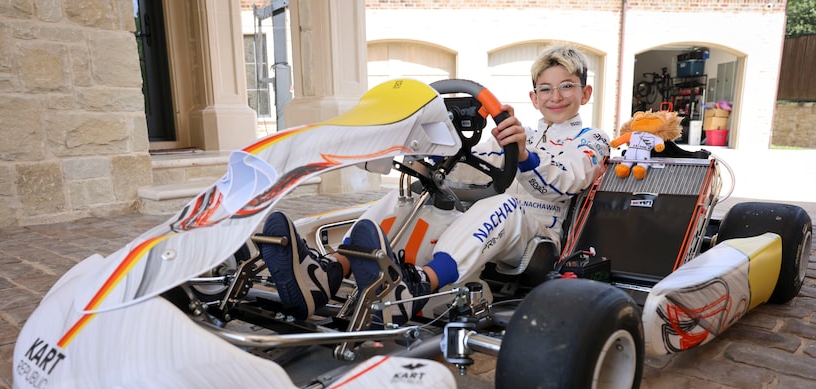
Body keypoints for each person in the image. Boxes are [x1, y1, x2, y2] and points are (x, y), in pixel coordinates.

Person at [260, 44, 610, 323]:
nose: (556, 96)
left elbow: (567, 181)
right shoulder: (518, 133)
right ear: (534, 98)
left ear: (585, 93)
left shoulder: (592, 139)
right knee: (407, 196)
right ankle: (330, 272)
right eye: (546, 89)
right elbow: (470, 167)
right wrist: (436, 150)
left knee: (503, 204)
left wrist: (523, 155)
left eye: (567, 86)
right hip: (492, 224)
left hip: (537, 240)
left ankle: (417, 286)